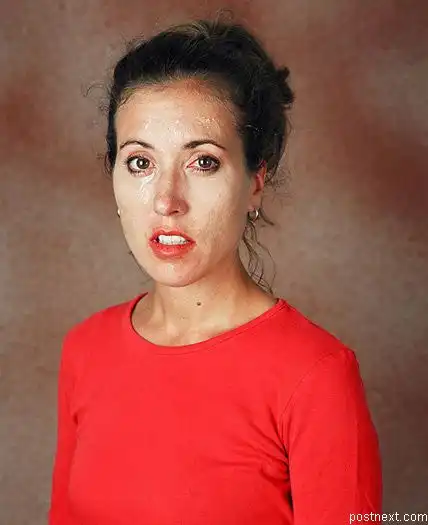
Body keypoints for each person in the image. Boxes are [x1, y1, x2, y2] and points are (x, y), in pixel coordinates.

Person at [48, 17, 382, 525]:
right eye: (140, 163)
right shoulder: (84, 350)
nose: (166, 200)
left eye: (202, 162)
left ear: (255, 181)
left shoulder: (317, 376)